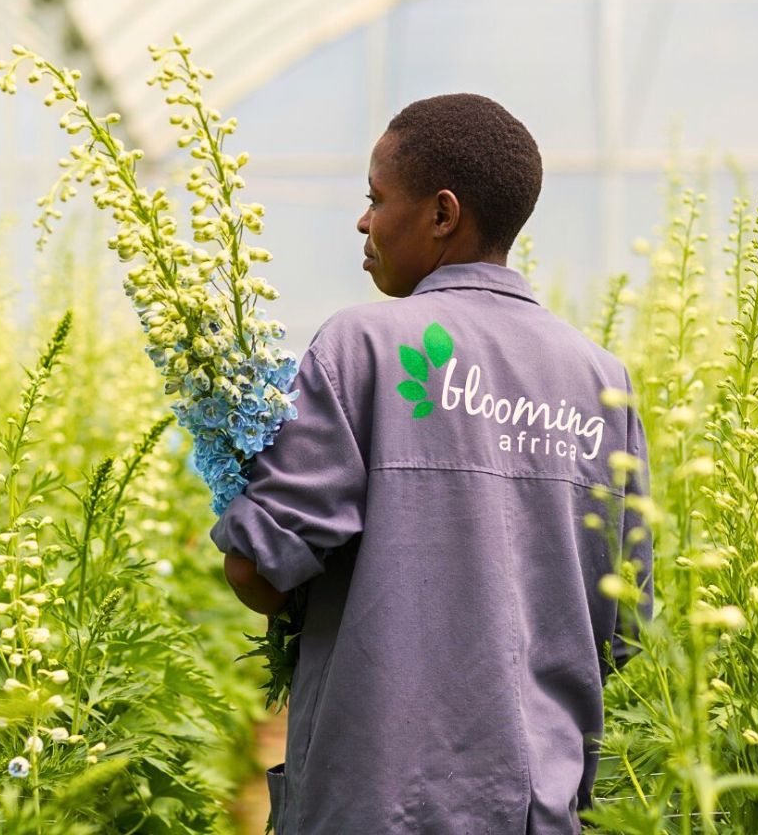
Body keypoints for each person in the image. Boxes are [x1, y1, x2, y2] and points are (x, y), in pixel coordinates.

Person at [210, 94, 653, 835]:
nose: (364, 220)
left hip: (374, 801)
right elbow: (624, 626)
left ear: (442, 214)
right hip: (536, 806)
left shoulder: (363, 345)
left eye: (377, 199)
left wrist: (236, 487)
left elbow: (262, 570)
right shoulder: (601, 380)